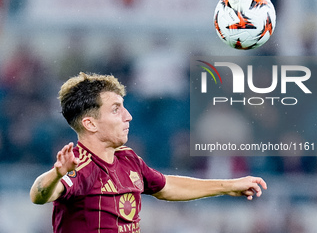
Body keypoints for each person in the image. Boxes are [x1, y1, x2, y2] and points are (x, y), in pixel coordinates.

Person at [30, 72, 267, 233]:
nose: (128, 116)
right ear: (91, 124)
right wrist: (57, 173)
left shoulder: (128, 160)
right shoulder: (79, 167)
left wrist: (228, 186)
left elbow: (168, 187)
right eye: (116, 110)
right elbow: (39, 194)